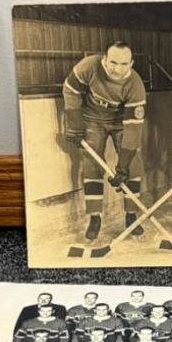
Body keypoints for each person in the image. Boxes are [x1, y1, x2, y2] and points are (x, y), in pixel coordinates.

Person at [63, 41, 148, 239]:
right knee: (92, 165)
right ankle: (95, 217)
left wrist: (123, 166)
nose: (117, 69)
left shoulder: (136, 85)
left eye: (124, 64)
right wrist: (74, 124)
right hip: (92, 119)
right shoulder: (88, 66)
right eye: (113, 62)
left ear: (131, 64)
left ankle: (131, 215)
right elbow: (70, 90)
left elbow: (133, 130)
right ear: (105, 59)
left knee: (133, 165)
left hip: (121, 121)